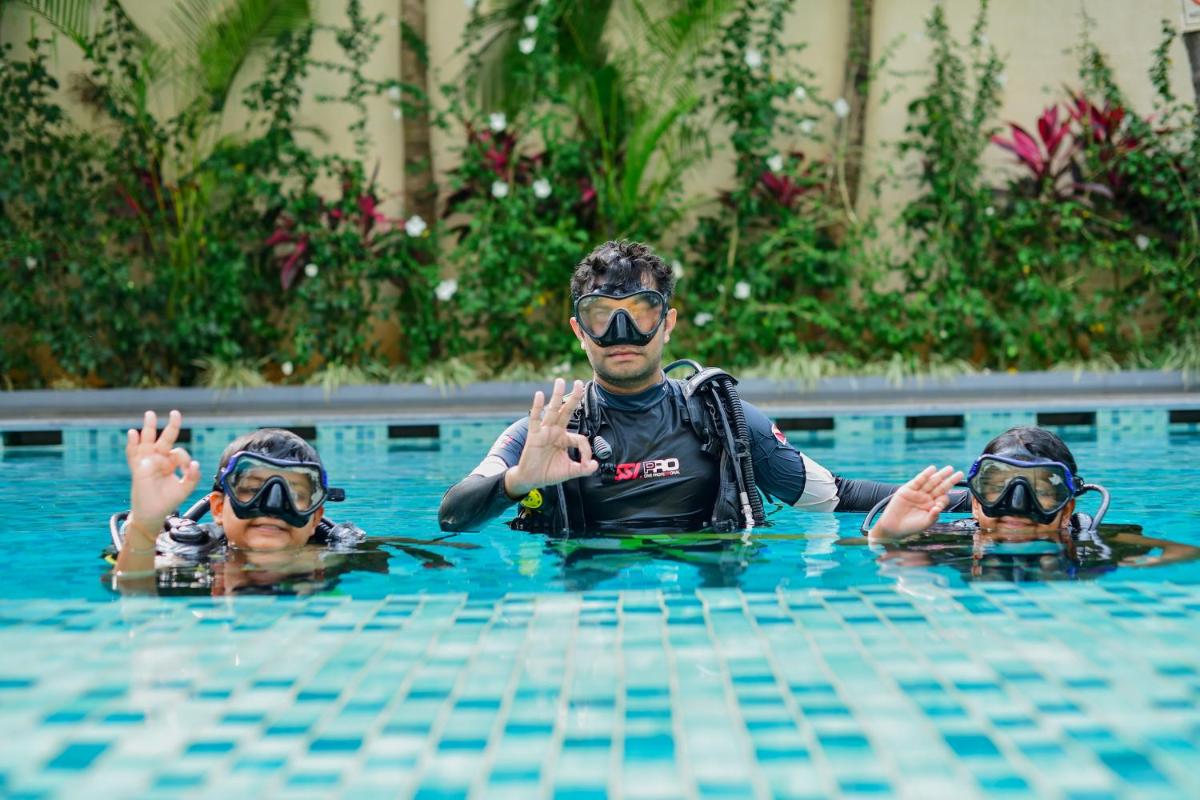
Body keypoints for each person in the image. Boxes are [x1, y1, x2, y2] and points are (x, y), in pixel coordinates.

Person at [439, 239, 924, 535]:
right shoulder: (545, 436)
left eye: (640, 312)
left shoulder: (725, 421)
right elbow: (452, 517)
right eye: (602, 316)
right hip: (591, 614)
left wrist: (956, 501)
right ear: (579, 331)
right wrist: (516, 482)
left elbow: (837, 496)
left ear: (667, 323)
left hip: (702, 611)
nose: (622, 334)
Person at [110, 410, 479, 595]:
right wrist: (145, 524)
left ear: (315, 516)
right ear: (219, 507)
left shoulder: (335, 553)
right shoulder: (190, 555)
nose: (273, 505)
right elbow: (132, 590)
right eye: (252, 488)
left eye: (296, 494)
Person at [864, 425, 1199, 577]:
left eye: (1042, 491)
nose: (1017, 504)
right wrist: (885, 535)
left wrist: (1115, 564)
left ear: (1067, 509)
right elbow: (890, 562)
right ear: (976, 502)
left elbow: (1185, 551)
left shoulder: (1090, 539)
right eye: (998, 487)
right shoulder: (953, 538)